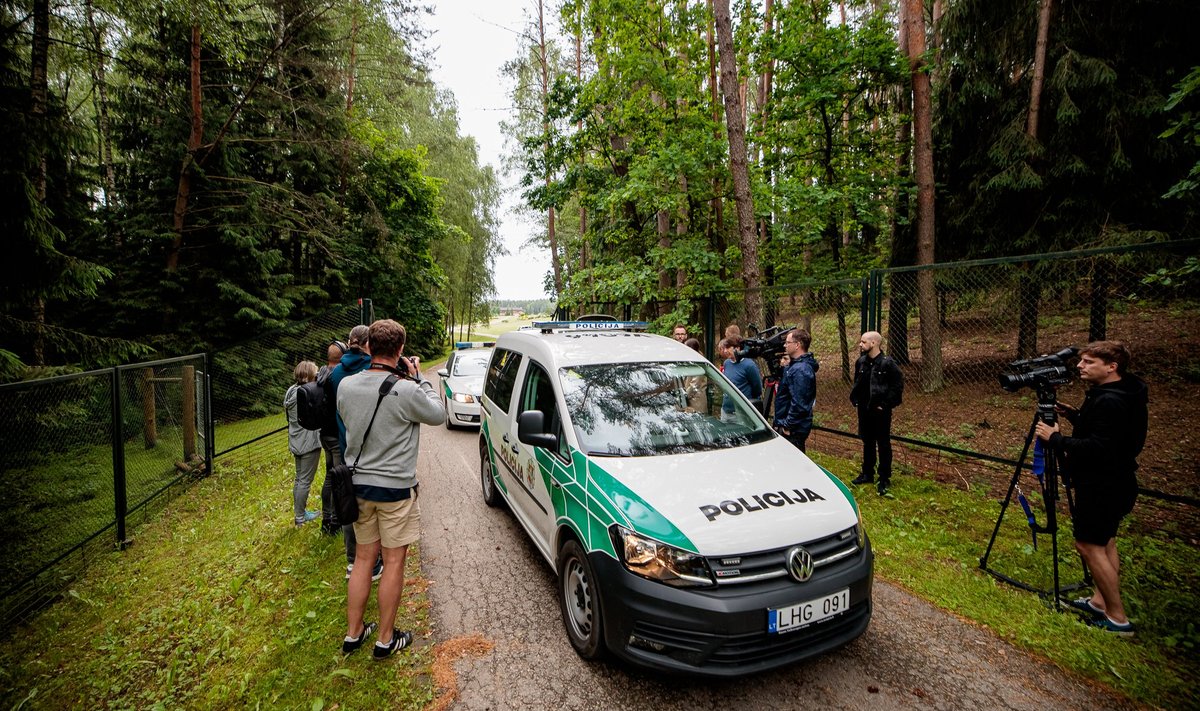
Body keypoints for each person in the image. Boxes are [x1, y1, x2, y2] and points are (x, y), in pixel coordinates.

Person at [337, 319, 445, 659]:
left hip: (357, 487)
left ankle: (354, 634)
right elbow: (438, 414)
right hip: (395, 490)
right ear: (399, 351)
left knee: (363, 559)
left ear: (368, 347)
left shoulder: (346, 386)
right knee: (394, 561)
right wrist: (419, 377)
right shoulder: (408, 390)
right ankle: (385, 639)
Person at [1035, 341, 1147, 637]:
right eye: (1081, 361)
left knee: (1088, 545)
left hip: (1103, 483)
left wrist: (1055, 439)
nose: (1081, 366)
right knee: (1106, 541)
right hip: (1115, 480)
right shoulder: (1123, 392)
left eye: (1088, 362)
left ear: (1112, 367)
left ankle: (1117, 618)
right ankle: (1100, 602)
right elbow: (1109, 433)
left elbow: (1100, 448)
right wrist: (1074, 415)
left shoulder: (1110, 401)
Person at [328, 325, 381, 580]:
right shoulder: (372, 366)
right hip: (372, 446)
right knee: (374, 503)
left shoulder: (336, 372)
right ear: (368, 342)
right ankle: (375, 560)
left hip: (344, 444)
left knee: (348, 502)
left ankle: (352, 560)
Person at [849, 331, 904, 496]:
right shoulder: (861, 362)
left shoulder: (888, 364)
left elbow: (897, 386)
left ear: (874, 343)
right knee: (867, 441)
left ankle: (884, 477)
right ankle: (867, 473)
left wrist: (885, 405)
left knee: (883, 443)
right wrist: (856, 399)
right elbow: (857, 383)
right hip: (864, 409)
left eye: (863, 342)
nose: (860, 345)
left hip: (880, 411)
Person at [284, 361, 322, 525]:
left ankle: (300, 513)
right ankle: (300, 517)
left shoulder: (291, 391)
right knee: (305, 480)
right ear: (309, 375)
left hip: (296, 440)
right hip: (308, 443)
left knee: (299, 479)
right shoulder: (306, 394)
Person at [318, 340, 348, 535]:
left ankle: (326, 517)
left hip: (324, 434)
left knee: (329, 476)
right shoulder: (335, 377)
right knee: (337, 478)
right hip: (335, 434)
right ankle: (335, 521)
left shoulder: (321, 373)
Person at [774, 329, 818, 452]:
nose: (784, 345)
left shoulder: (801, 370)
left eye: (788, 342)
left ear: (797, 345)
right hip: (790, 426)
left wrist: (788, 426)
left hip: (793, 430)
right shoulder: (795, 366)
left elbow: (800, 403)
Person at [718, 337, 762, 420]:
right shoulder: (727, 363)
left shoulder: (749, 365)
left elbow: (757, 389)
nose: (725, 351)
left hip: (742, 413)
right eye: (724, 348)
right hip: (726, 411)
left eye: (728, 348)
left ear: (737, 348)